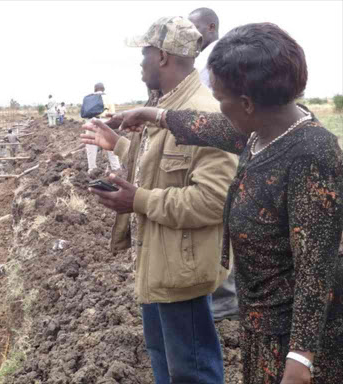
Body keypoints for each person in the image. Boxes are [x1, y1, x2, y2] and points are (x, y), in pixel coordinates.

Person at [106, 22, 343, 384]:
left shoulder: (312, 156)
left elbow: (317, 268)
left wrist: (300, 359)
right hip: (260, 324)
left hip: (293, 339)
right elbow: (208, 126)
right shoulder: (261, 132)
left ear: (247, 104)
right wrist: (153, 114)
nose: (215, 105)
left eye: (220, 98)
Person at [81, 17, 237, 384]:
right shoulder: (163, 106)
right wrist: (116, 144)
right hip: (156, 266)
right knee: (166, 367)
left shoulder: (203, 114)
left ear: (164, 57)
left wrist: (138, 200)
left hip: (183, 276)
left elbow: (215, 201)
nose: (141, 61)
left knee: (192, 373)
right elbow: (163, 168)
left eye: (145, 52)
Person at [188, 7, 239, 322]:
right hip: (216, 139)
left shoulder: (221, 59)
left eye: (195, 29)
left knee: (221, 212)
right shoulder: (207, 60)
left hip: (223, 142)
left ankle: (225, 300)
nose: (191, 37)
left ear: (210, 26)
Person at [84, 83, 121, 174]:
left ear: (94, 89)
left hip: (91, 122)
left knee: (91, 147)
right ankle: (116, 167)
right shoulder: (108, 97)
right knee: (111, 146)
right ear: (103, 89)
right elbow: (112, 114)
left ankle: (92, 169)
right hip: (104, 122)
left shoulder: (89, 98)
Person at [188, 7, 219, 89]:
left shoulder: (216, 56)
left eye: (194, 28)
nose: (189, 35)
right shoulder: (203, 56)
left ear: (211, 27)